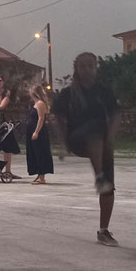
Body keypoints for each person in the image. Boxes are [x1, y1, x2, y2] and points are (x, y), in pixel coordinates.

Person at [51, 52, 121, 246]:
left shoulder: (103, 91)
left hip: (102, 142)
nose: (87, 69)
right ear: (77, 68)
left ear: (96, 68)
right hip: (78, 139)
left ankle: (103, 231)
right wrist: (62, 142)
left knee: (109, 188)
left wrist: (111, 138)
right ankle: (98, 175)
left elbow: (116, 115)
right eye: (83, 66)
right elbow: (56, 116)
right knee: (96, 126)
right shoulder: (68, 94)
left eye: (91, 66)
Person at [0, 75, 21, 176]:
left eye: (0, 80)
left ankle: (8, 171)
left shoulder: (5, 95)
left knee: (7, 147)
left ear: (3, 83)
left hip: (4, 124)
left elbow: (1, 106)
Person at [24, 83, 55, 184]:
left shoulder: (40, 104)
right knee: (34, 152)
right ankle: (38, 173)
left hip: (38, 131)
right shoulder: (35, 103)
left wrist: (36, 132)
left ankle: (42, 176)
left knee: (40, 152)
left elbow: (41, 118)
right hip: (32, 130)